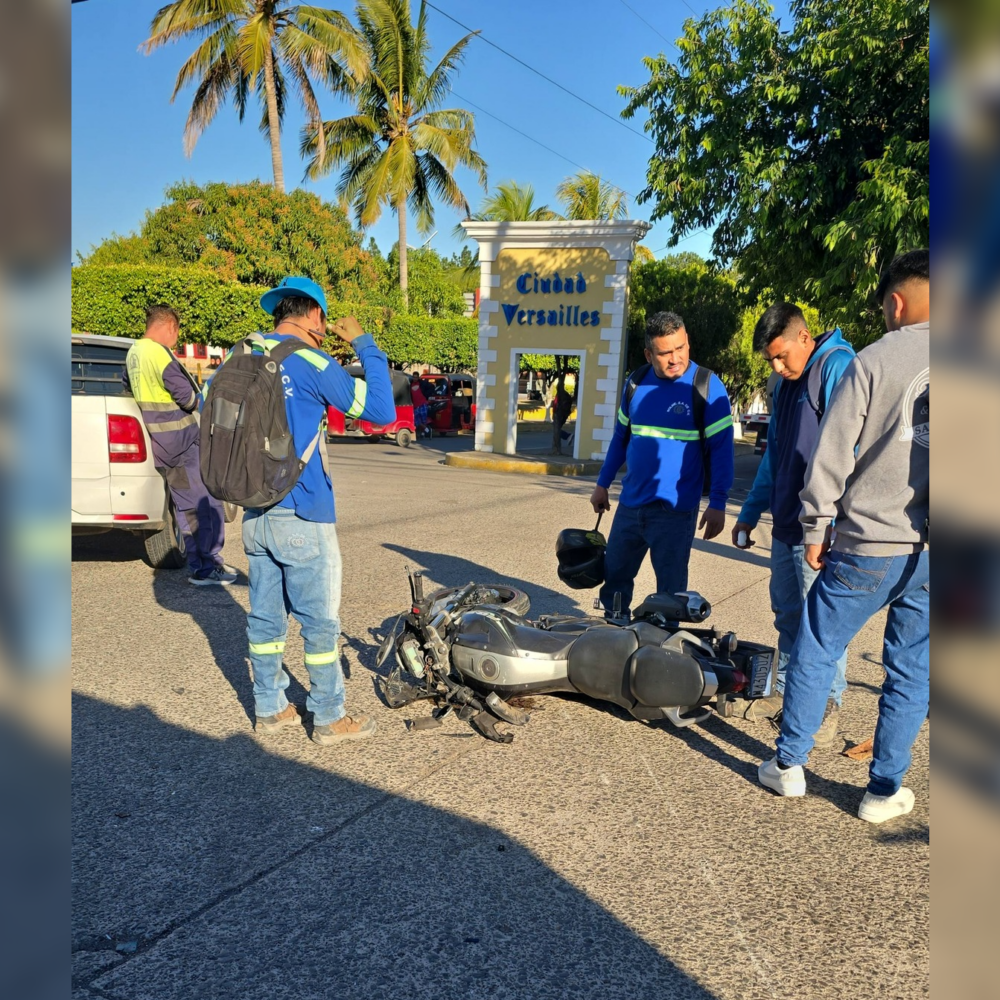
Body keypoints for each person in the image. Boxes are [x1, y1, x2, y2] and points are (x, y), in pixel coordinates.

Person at [758, 250, 930, 824]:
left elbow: (831, 456)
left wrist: (816, 525)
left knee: (815, 643)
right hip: (934, 551)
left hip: (866, 543)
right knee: (909, 667)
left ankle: (789, 765)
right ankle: (883, 791)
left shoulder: (872, 361)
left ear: (896, 301)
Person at [242, 276, 395, 744]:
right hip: (302, 510)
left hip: (253, 511)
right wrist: (365, 344)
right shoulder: (311, 360)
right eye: (325, 322)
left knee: (265, 621)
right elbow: (381, 410)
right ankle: (329, 717)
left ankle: (270, 708)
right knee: (320, 623)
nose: (325, 330)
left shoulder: (240, 354)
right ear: (313, 316)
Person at [731, 304, 856, 743]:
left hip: (821, 529)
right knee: (787, 615)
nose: (778, 367)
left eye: (783, 355)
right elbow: (775, 455)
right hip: (786, 524)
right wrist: (749, 512)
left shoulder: (837, 368)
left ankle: (827, 704)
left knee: (821, 623)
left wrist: (833, 524)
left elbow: (854, 450)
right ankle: (787, 691)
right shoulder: (783, 386)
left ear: (804, 337)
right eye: (771, 361)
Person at [590, 311, 735, 618]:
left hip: (675, 512)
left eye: (680, 348)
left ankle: (662, 655)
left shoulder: (706, 386)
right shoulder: (636, 383)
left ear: (688, 343)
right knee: (614, 583)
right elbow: (620, 438)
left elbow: (722, 450)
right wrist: (602, 484)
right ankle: (612, 641)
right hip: (630, 506)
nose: (675, 359)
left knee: (670, 597)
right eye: (665, 352)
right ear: (648, 353)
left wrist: (718, 502)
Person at [125, 304, 235, 586]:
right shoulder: (159, 353)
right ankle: (207, 567)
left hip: (163, 446)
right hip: (184, 442)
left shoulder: (134, 352)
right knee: (204, 503)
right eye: (177, 333)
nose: (176, 339)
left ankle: (203, 566)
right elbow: (187, 398)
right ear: (170, 326)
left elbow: (128, 386)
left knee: (188, 506)